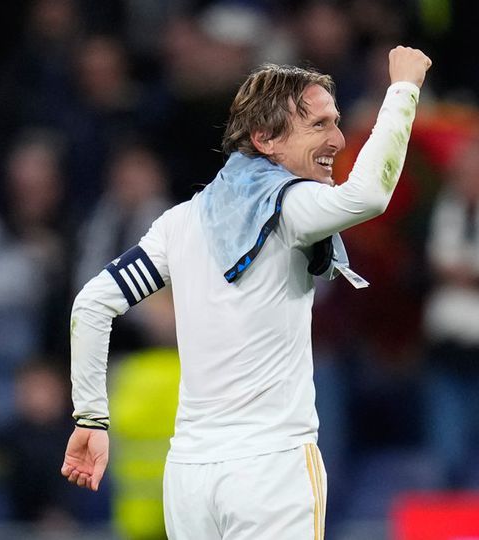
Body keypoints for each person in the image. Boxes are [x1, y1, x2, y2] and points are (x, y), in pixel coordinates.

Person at [60, 45, 432, 539]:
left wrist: (90, 418)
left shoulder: (179, 223)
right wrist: (403, 89)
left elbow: (91, 305)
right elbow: (367, 194)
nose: (339, 139)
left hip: (189, 476)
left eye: (337, 123)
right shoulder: (291, 208)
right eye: (319, 125)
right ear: (265, 139)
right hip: (271, 468)